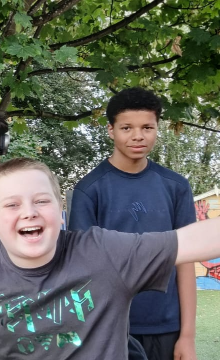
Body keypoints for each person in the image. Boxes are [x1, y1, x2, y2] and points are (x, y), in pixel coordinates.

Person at [0, 158, 220, 359]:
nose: (29, 212)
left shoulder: (104, 251)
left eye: (41, 201)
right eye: (12, 204)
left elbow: (192, 241)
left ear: (61, 209)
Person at [69, 87, 196, 360]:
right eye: (127, 127)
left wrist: (187, 336)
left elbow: (186, 262)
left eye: (147, 127)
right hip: (110, 328)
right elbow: (81, 271)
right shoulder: (89, 190)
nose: (138, 135)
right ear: (111, 130)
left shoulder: (176, 187)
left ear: (157, 128)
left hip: (167, 326)